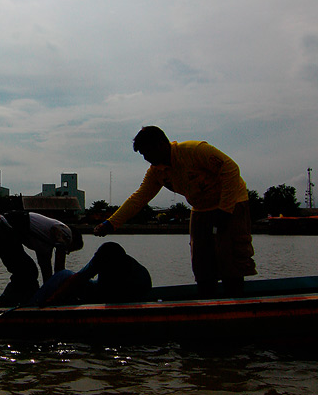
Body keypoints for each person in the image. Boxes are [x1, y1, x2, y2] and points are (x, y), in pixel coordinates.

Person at [95, 126, 256, 296]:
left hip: (232, 203)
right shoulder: (156, 172)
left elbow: (231, 169)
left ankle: (236, 304)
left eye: (147, 152)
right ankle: (206, 306)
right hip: (200, 209)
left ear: (161, 145)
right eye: (143, 155)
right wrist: (111, 223)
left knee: (231, 262)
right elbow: (139, 198)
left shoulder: (195, 150)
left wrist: (225, 209)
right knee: (202, 265)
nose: (146, 158)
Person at [0, 210, 84, 305]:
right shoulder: (66, 232)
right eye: (70, 249)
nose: (68, 253)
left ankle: (27, 300)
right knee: (26, 271)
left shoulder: (45, 243)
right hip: (0, 229)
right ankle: (5, 302)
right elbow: (59, 270)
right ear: (73, 240)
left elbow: (46, 271)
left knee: (29, 271)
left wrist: (47, 294)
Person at [36, 241, 152, 306]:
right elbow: (79, 278)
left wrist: (52, 299)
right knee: (66, 277)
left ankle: (33, 305)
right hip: (113, 293)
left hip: (119, 296)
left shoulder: (105, 260)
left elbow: (79, 279)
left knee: (64, 275)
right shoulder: (133, 267)